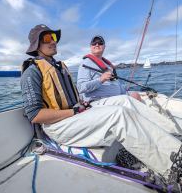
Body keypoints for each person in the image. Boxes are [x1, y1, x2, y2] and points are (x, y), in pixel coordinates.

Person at [21, 24, 182, 188]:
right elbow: (35, 115)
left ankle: (175, 146)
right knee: (119, 115)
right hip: (57, 126)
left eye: (54, 37)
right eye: (48, 38)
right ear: (36, 44)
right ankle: (173, 167)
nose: (54, 41)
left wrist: (80, 105)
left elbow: (71, 96)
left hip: (75, 115)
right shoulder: (32, 71)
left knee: (125, 106)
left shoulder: (59, 67)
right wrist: (73, 111)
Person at [77, 35, 142, 102]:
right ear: (90, 46)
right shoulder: (85, 63)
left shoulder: (107, 65)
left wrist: (129, 87)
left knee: (135, 95)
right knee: (130, 101)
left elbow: (115, 83)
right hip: (98, 100)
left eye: (100, 43)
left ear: (104, 47)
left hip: (116, 96)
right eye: (94, 43)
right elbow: (80, 87)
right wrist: (101, 79)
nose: (97, 44)